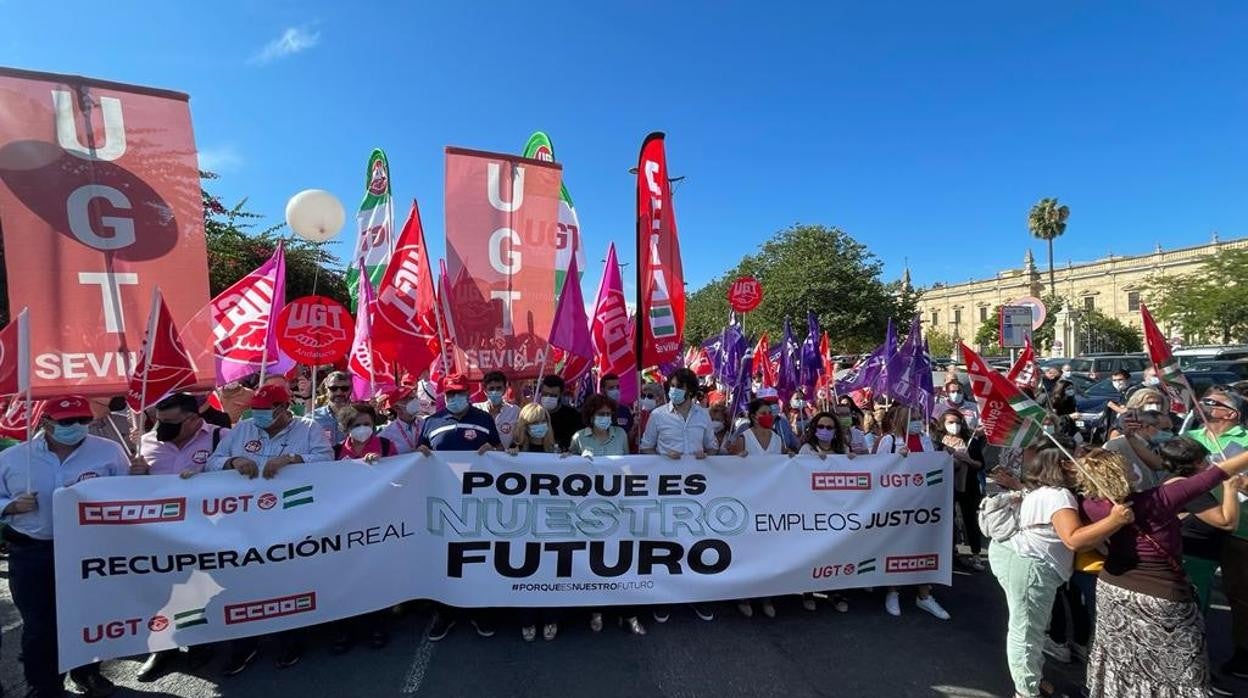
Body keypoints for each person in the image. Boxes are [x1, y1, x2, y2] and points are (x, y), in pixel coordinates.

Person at [1080, 445, 1248, 697]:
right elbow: (1219, 472)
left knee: (1123, 659)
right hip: (1162, 594)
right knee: (1179, 665)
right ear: (1126, 474)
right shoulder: (1159, 498)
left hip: (1113, 590)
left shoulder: (1089, 506)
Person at [0, 396, 128, 697]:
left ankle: (87, 673)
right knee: (39, 625)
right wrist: (10, 507)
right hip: (33, 551)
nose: (77, 427)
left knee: (87, 617)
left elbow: (127, 495)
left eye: (83, 420)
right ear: (45, 422)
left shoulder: (109, 451)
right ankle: (44, 684)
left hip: (89, 549)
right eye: (67, 422)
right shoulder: (15, 458)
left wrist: (138, 477)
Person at [203, 384, 332, 674]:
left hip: (292, 519)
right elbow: (212, 463)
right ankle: (244, 644)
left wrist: (292, 459)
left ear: (284, 408)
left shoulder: (308, 429)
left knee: (289, 579)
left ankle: (291, 638)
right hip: (245, 522)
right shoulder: (242, 429)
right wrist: (233, 461)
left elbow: (327, 461)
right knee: (244, 582)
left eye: (266, 411)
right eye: (255, 410)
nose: (258, 416)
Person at [989, 449, 1134, 698]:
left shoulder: (1045, 492)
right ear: (1061, 467)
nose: (1079, 467)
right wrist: (1115, 521)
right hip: (1031, 565)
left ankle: (1031, 679)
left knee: (1029, 628)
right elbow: (1074, 540)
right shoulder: (1060, 496)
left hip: (1022, 561)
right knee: (1026, 632)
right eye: (1072, 463)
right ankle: (1026, 691)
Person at [128, 392, 229, 680]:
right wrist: (134, 475)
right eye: (159, 421)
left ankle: (202, 642)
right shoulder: (146, 442)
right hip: (159, 533)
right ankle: (163, 648)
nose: (162, 428)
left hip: (207, 530)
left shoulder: (221, 437)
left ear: (194, 418)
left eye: (171, 422)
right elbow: (128, 492)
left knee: (201, 586)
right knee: (161, 589)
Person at [416, 374, 502, 641]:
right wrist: (419, 454)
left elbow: (499, 450)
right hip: (443, 501)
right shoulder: (431, 422)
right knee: (446, 558)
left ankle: (478, 609)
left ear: (469, 393)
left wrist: (494, 450)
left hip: (479, 501)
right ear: (444, 395)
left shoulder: (484, 419)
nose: (455, 399)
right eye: (450, 394)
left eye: (460, 393)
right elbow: (418, 453)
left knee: (477, 555)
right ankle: (446, 612)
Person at [640, 368, 719, 623]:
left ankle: (697, 596)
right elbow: (645, 448)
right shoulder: (657, 416)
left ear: (690, 390)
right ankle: (664, 599)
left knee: (696, 544)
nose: (674, 390)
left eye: (679, 386)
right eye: (672, 385)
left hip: (697, 493)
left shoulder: (703, 416)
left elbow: (712, 447)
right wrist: (662, 458)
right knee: (667, 546)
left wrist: (706, 455)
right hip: (667, 492)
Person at [1187, 386, 1248, 679]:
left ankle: (1243, 653)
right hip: (1199, 529)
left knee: (1240, 595)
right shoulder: (1190, 438)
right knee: (1196, 591)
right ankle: (1193, 651)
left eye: (1213, 402)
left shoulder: (1246, 440)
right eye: (1204, 401)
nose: (1204, 405)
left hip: (1240, 530)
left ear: (1232, 413)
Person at [872, 404, 949, 620]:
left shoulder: (925, 440)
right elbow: (876, 469)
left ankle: (924, 595)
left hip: (922, 502)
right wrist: (896, 458)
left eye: (918, 417)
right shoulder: (889, 441)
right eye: (913, 418)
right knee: (895, 547)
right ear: (903, 420)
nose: (918, 421)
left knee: (923, 546)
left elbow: (932, 466)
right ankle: (892, 592)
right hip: (896, 503)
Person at [1158, 437, 1240, 613]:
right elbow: (1227, 522)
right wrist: (1230, 488)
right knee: (1193, 612)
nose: (1209, 464)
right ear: (1196, 463)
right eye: (1205, 460)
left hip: (1197, 557)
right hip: (1192, 559)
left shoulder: (1179, 481)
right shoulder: (1186, 487)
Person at [797, 412, 853, 613]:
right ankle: (808, 592)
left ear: (836, 431)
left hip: (837, 511)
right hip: (813, 510)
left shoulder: (844, 450)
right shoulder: (807, 449)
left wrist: (853, 461)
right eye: (821, 426)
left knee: (836, 553)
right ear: (814, 428)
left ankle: (836, 592)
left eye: (830, 428)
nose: (825, 430)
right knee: (813, 553)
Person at [939, 409, 986, 571]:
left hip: (968, 486)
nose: (955, 426)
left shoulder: (970, 440)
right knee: (947, 522)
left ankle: (976, 555)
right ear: (943, 424)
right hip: (945, 488)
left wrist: (967, 460)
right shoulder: (940, 442)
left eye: (958, 422)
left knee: (970, 520)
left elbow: (981, 464)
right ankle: (951, 553)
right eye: (950, 422)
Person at [1102, 411, 1166, 491]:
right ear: (1145, 426)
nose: (1168, 433)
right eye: (1164, 429)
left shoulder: (1158, 447)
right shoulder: (1116, 446)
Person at [537, 375, 584, 451]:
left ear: (561, 395)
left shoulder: (573, 416)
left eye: (553, 395)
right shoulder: (533, 415)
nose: (548, 398)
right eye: (545, 394)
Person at [475, 370, 520, 449]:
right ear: (485, 390)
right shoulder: (476, 409)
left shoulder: (515, 411)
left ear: (505, 390)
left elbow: (519, 438)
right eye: (491, 389)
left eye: (499, 388)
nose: (495, 392)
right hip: (480, 458)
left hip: (505, 459)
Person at [311, 371, 354, 446]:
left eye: (344, 388)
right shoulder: (313, 417)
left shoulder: (359, 415)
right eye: (333, 388)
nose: (339, 393)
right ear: (326, 389)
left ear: (351, 389)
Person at [378, 385, 423, 454]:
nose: (414, 401)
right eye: (408, 399)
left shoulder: (426, 424)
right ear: (396, 408)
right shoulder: (386, 435)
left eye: (414, 397)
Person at [600, 373, 635, 439]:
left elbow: (628, 440)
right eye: (611, 388)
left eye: (617, 387)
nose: (616, 391)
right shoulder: (596, 411)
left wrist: (635, 426)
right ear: (602, 390)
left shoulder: (625, 410)